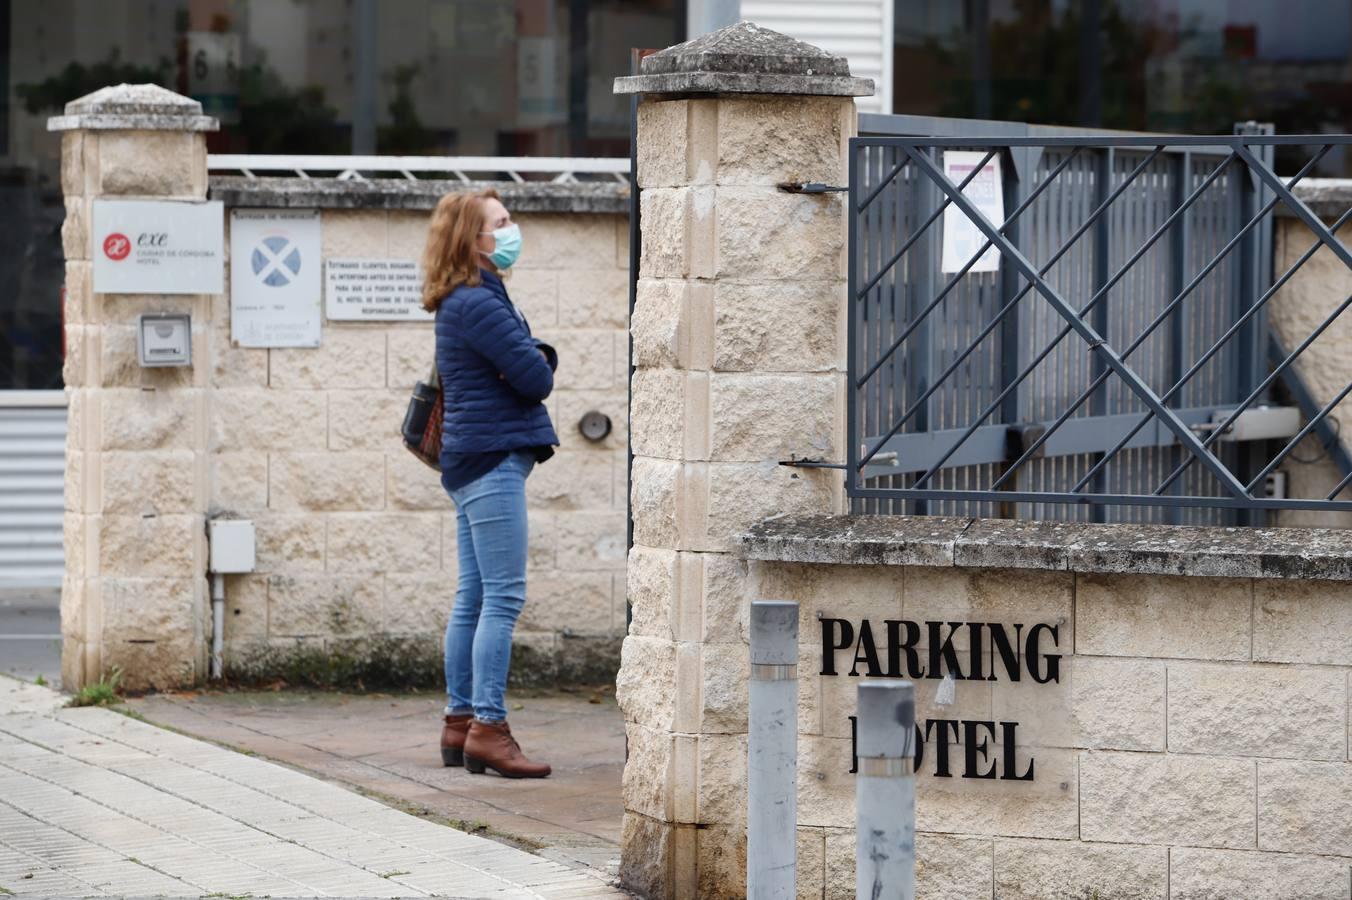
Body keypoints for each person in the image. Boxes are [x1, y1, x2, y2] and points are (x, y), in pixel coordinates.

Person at [420, 188, 557, 779]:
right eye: (500, 224)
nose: (511, 230)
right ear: (471, 240)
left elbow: (516, 367)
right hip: (492, 459)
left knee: (473, 596)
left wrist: (525, 356)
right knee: (501, 597)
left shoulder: (466, 298)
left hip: (471, 459)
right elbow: (533, 377)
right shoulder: (478, 301)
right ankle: (489, 729)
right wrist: (541, 354)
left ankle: (459, 725)